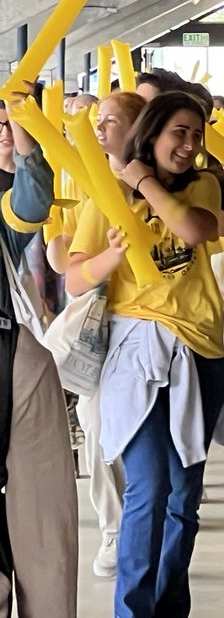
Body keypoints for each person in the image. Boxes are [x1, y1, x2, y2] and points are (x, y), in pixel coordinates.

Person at [67, 91, 224, 618]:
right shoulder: (104, 196)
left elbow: (193, 229)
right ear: (152, 132)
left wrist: (142, 181)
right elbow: (74, 278)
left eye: (197, 134)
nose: (189, 144)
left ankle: (169, 606)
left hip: (201, 350)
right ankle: (132, 610)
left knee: (185, 492)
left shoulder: (203, 184)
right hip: (135, 355)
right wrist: (111, 257)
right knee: (148, 485)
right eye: (178, 133)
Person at [47, 91, 146, 579]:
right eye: (93, 120)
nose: (97, 127)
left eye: (108, 119)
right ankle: (116, 528)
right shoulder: (85, 181)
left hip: (161, 328)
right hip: (105, 326)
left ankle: (150, 524)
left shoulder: (169, 184)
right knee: (100, 425)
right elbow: (68, 267)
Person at [0, 83, 74, 617]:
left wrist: (24, 131)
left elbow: (32, 200)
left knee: (45, 529)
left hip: (12, 355)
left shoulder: (6, 196)